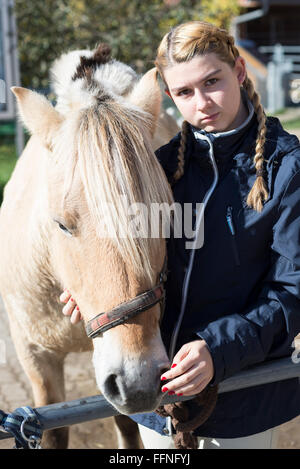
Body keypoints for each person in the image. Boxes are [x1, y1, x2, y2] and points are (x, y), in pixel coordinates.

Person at [60, 21, 300, 449]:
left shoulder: (288, 170)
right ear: (168, 97)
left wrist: (217, 351)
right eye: (184, 93)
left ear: (240, 73)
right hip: (161, 399)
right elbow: (135, 258)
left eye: (213, 82)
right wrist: (98, 294)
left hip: (242, 402)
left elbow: (292, 291)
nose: (203, 103)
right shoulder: (160, 169)